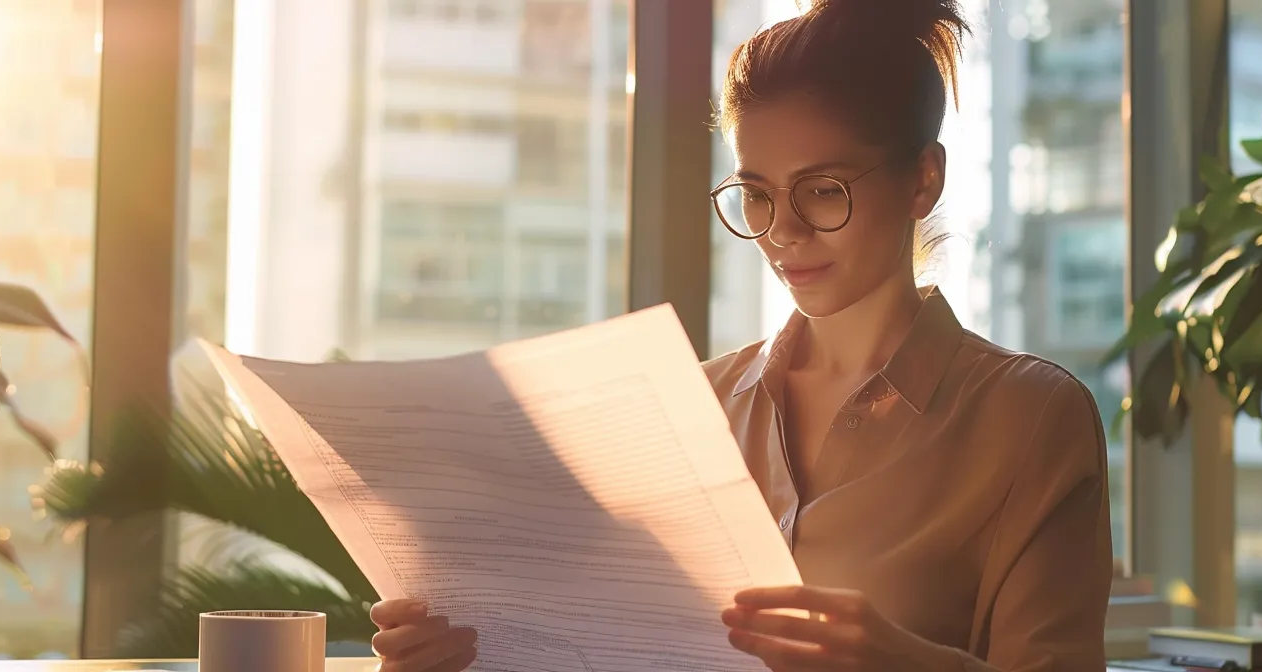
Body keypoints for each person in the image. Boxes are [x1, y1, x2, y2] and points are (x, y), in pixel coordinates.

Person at [367, 0, 1112, 669]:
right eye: (756, 195)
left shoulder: (1031, 419)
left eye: (823, 191)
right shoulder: (692, 407)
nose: (782, 231)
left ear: (923, 178)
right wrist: (462, 658)